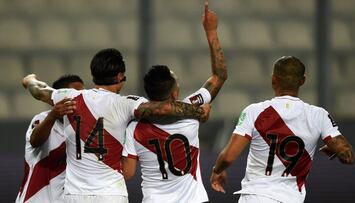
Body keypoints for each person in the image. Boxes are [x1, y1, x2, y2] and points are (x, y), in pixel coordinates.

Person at [22, 48, 210, 203]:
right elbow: (162, 109)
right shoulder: (125, 104)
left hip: (74, 194)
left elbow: (38, 90)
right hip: (111, 193)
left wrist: (29, 79)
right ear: (120, 76)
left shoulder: (68, 96)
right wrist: (198, 111)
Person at [210, 56, 355, 203]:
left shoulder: (254, 112)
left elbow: (228, 157)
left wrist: (217, 170)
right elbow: (348, 156)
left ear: (273, 79)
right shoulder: (319, 116)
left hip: (255, 197)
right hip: (290, 199)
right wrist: (336, 150)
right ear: (303, 81)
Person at [121, 2, 226, 203]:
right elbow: (219, 76)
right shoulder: (192, 109)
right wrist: (211, 31)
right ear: (174, 94)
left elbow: (128, 172)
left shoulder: (134, 128)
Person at [16, 75, 84, 203]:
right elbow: (35, 141)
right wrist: (52, 116)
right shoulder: (42, 119)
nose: (80, 100)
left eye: (82, 95)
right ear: (58, 97)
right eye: (75, 95)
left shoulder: (83, 128)